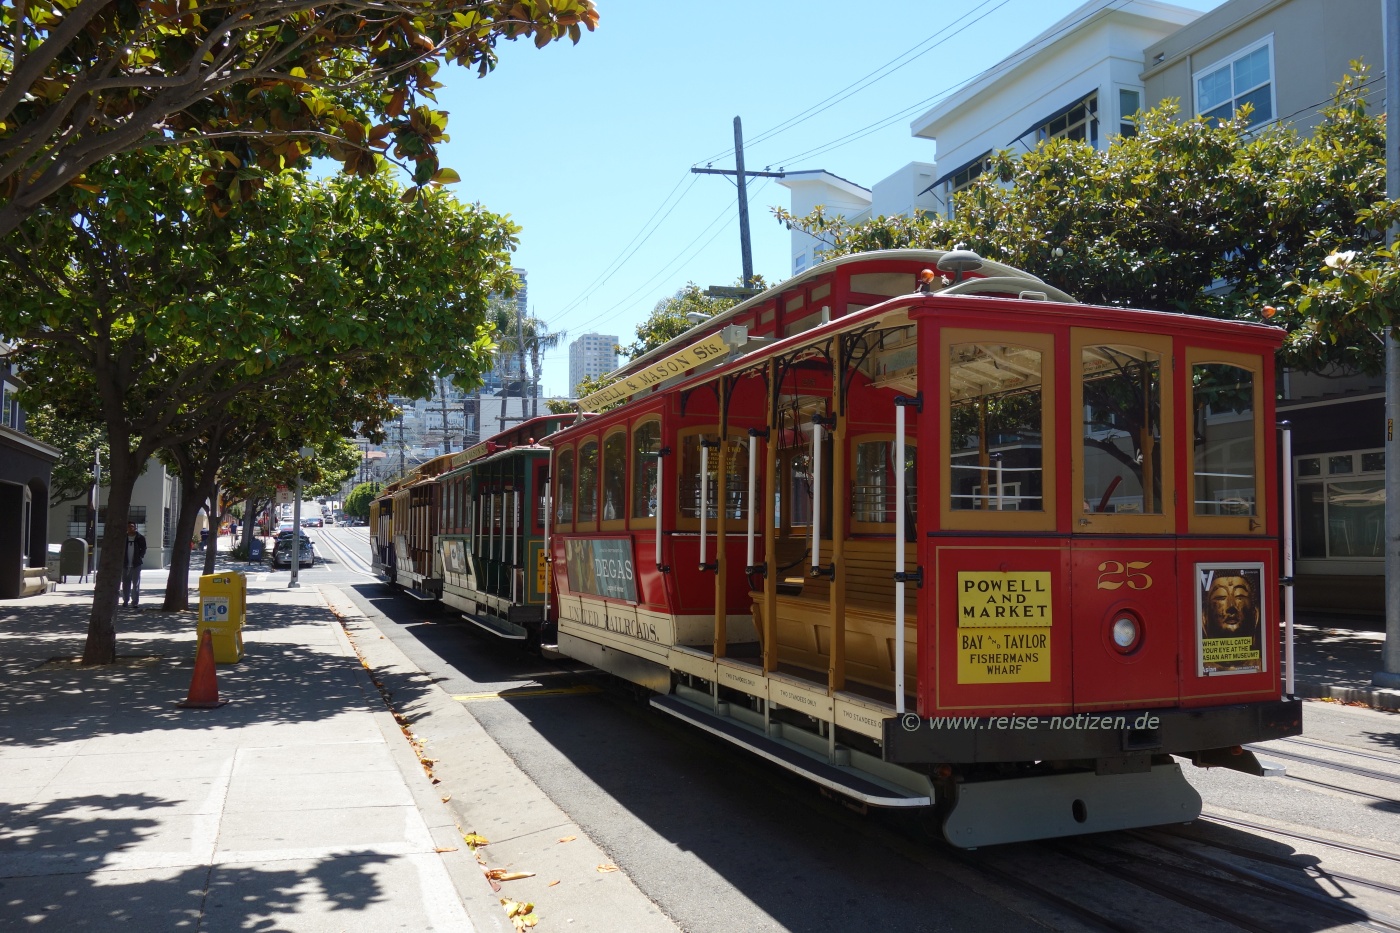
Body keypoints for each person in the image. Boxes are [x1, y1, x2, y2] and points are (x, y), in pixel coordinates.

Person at [121, 521, 147, 609]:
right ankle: (125, 600)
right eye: (128, 527)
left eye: (132, 526)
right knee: (125, 583)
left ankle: (135, 602)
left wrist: (140, 556)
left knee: (136, 583)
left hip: (136, 564)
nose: (130, 528)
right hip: (125, 564)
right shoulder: (124, 538)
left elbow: (144, 548)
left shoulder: (140, 538)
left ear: (135, 528)